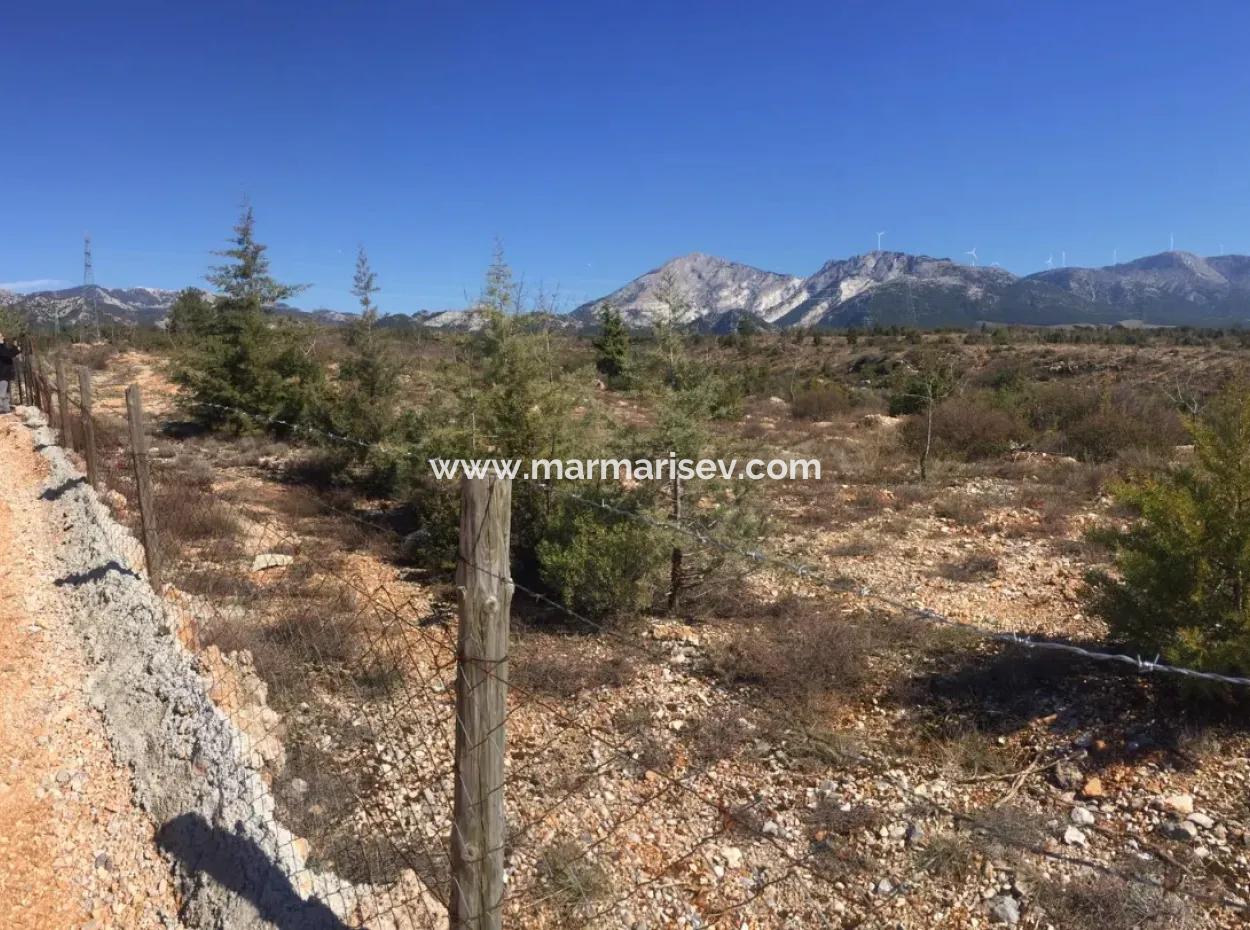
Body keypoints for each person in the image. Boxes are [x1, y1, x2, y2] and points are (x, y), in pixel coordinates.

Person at [0, 334, 21, 414]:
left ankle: (6, 409)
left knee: (6, 393)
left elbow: (8, 353)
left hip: (5, 374)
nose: (3, 337)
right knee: (2, 393)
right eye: (0, 336)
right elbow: (8, 354)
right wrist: (16, 348)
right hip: (2, 373)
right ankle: (1, 409)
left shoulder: (2, 347)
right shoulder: (1, 347)